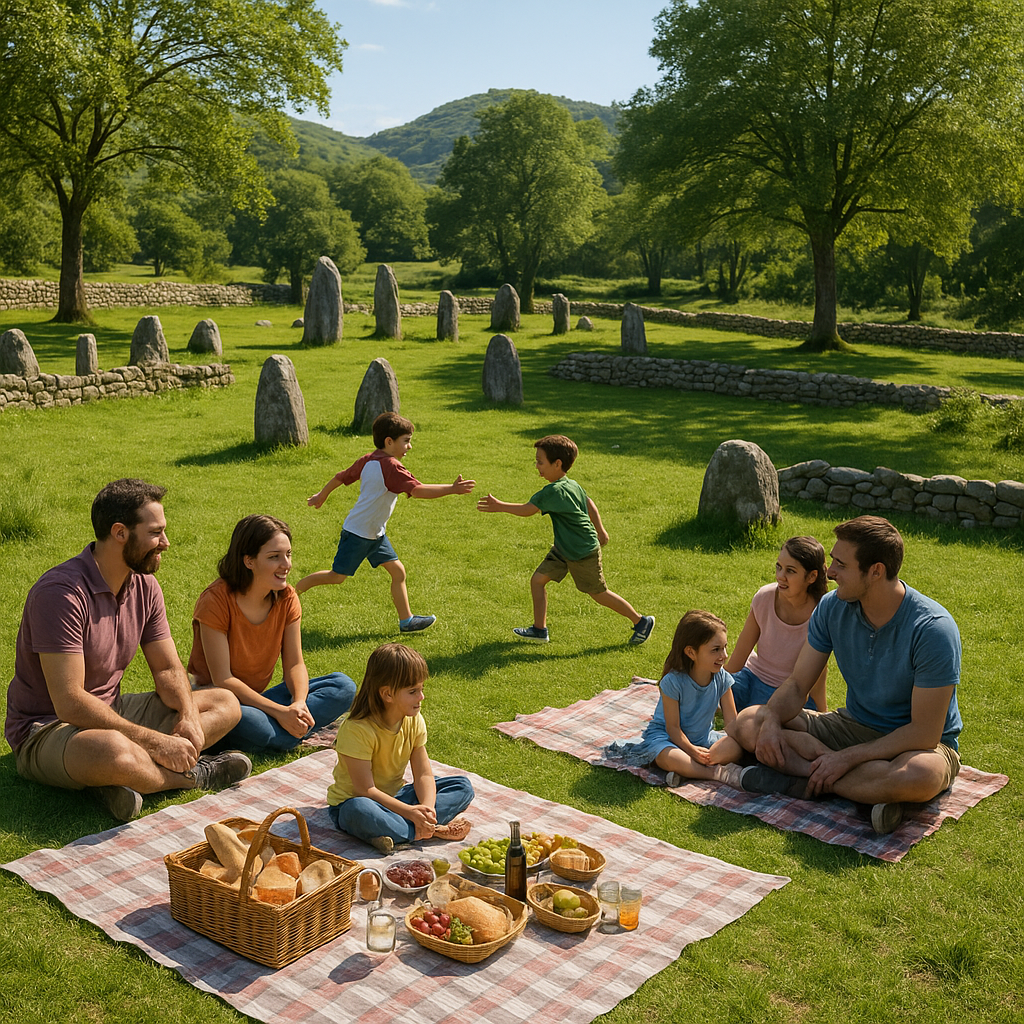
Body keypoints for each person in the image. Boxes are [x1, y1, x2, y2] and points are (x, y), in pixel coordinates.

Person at [4, 479, 251, 823]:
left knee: (225, 703)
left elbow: (167, 669)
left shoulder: (144, 586)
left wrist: (188, 716)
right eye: (155, 533)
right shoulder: (61, 594)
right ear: (120, 533)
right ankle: (195, 776)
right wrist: (157, 743)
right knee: (116, 752)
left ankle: (115, 781)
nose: (166, 542)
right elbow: (69, 701)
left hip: (111, 710)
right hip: (47, 728)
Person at [730, 516, 963, 834]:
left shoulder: (933, 629)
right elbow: (798, 685)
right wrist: (771, 722)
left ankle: (804, 778)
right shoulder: (831, 607)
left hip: (916, 744)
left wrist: (846, 759)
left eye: (841, 564)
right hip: (851, 726)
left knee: (918, 776)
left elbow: (924, 732)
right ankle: (865, 791)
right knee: (749, 721)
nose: (829, 572)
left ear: (876, 571)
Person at [187, 514, 356, 753]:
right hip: (221, 702)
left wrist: (297, 704)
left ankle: (283, 732)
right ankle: (284, 735)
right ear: (249, 561)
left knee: (343, 687)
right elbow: (222, 679)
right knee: (257, 725)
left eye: (288, 554)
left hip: (259, 700)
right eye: (274, 557)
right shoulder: (216, 600)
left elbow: (295, 663)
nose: (286, 565)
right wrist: (280, 712)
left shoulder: (287, 598)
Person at [295, 412, 476, 633]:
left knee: (398, 572)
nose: (409, 447)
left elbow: (340, 477)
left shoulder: (368, 459)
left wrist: (322, 495)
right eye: (406, 441)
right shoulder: (391, 466)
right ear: (389, 442)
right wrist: (452, 489)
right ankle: (291, 593)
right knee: (337, 577)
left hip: (375, 534)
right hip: (359, 534)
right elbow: (417, 491)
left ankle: (406, 621)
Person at [476, 434, 655, 645]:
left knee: (598, 593)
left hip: (581, 551)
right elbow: (590, 504)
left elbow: (527, 510)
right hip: (564, 548)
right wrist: (601, 530)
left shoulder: (553, 491)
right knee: (538, 580)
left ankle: (641, 621)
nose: (537, 466)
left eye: (540, 462)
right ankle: (539, 630)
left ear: (557, 463)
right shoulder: (572, 484)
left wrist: (499, 506)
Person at [327, 643, 474, 854]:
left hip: (397, 798)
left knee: (462, 786)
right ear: (387, 694)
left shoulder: (413, 719)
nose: (421, 697)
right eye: (413, 691)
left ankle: (407, 829)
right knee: (357, 811)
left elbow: (423, 773)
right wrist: (411, 813)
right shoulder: (357, 729)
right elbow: (365, 790)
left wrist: (427, 809)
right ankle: (417, 832)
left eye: (421, 689)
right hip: (359, 803)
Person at [612, 611, 744, 787]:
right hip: (667, 738)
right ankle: (716, 773)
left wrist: (740, 744)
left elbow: (732, 723)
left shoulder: (722, 678)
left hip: (704, 740)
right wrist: (693, 752)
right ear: (691, 652)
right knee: (668, 757)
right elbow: (673, 728)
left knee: (735, 748)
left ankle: (688, 771)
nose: (724, 655)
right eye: (716, 650)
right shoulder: (673, 682)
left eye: (725, 647)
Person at [726, 536, 829, 712]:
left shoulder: (821, 613)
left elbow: (818, 677)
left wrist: (823, 714)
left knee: (778, 723)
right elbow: (737, 659)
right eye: (779, 567)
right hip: (751, 677)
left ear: (812, 576)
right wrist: (713, 686)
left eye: (790, 571)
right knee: (706, 693)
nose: (780, 576)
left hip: (790, 692)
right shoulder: (764, 597)